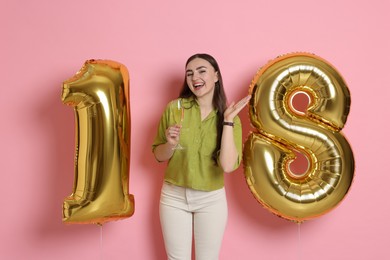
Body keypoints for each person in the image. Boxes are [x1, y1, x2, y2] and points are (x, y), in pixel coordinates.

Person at [152, 53, 251, 260]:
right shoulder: (175, 108)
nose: (194, 77)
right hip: (173, 197)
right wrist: (170, 145)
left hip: (211, 200)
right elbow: (159, 155)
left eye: (201, 71)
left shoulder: (229, 117)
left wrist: (228, 121)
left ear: (216, 75)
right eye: (189, 73)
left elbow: (227, 165)